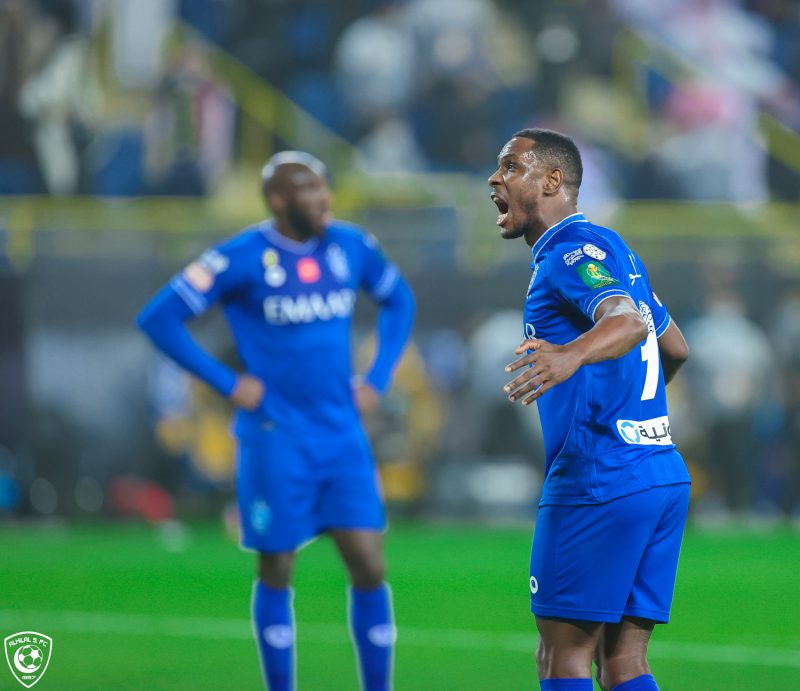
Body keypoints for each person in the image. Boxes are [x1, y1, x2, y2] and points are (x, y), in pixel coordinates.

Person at [137, 151, 415, 691]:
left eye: (324, 189)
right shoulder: (240, 258)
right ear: (278, 201)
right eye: (309, 192)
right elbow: (159, 318)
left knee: (369, 564)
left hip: (341, 435)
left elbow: (399, 300)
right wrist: (227, 383)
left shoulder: (352, 246)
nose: (323, 201)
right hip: (274, 436)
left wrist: (377, 378)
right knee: (277, 568)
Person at [488, 128, 691, 691]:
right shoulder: (615, 249)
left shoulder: (566, 254)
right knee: (623, 663)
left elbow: (625, 322)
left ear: (552, 180)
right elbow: (674, 346)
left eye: (510, 167)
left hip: (599, 476)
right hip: (660, 471)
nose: (494, 179)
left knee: (563, 661)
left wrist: (570, 357)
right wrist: (630, 407)